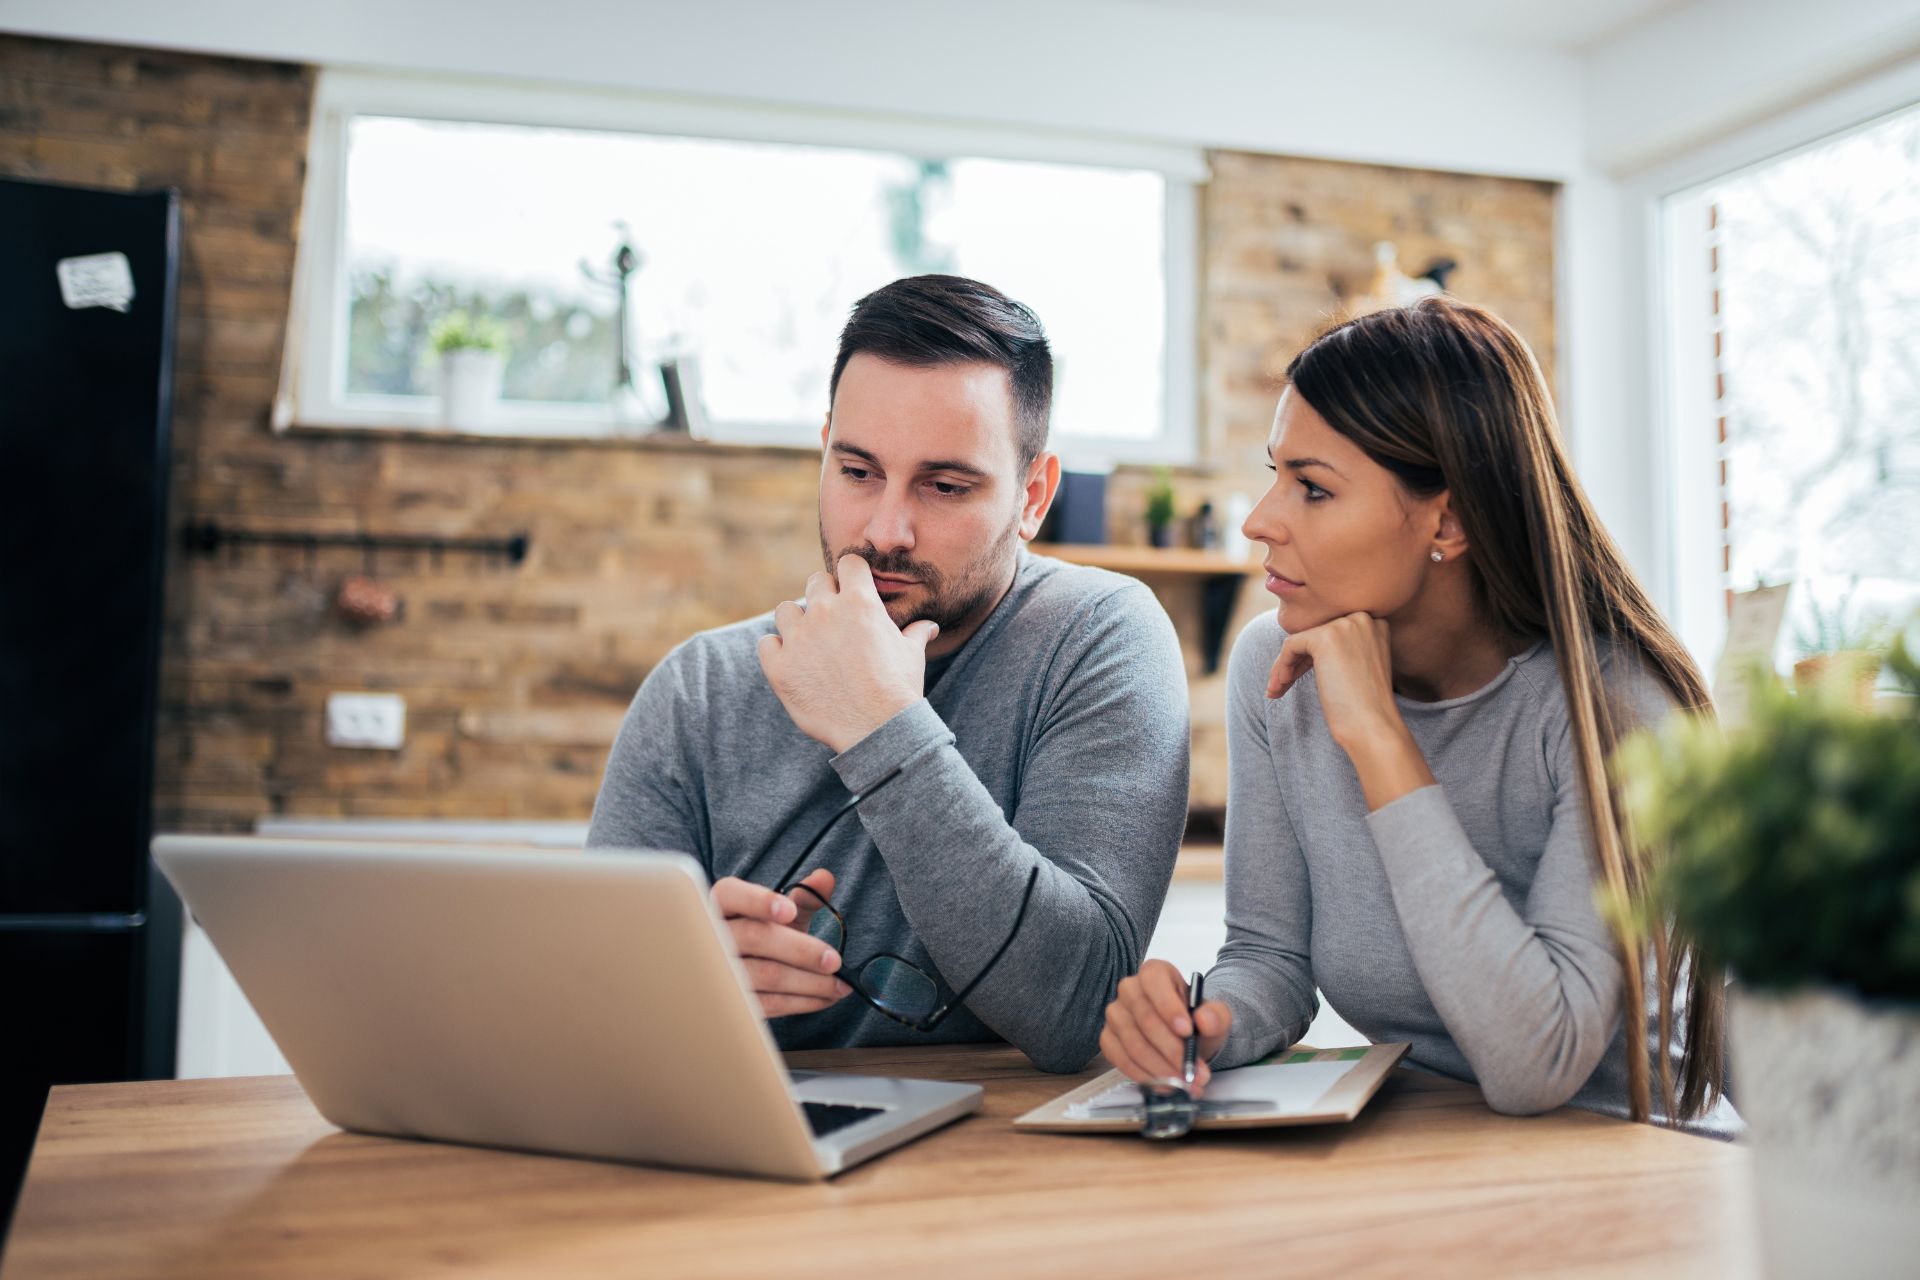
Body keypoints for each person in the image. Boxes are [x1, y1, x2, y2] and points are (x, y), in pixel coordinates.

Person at [1100, 296, 1736, 1133]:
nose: (1261, 521)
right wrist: (1207, 1022)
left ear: (1450, 518)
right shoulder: (1277, 665)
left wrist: (1378, 738)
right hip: (1431, 1145)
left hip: (1634, 1164)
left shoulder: (1614, 708)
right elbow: (1271, 960)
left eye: (1313, 489)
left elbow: (1534, 1065)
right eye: (1275, 475)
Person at [588, 274, 1189, 1071]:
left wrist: (878, 721)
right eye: (858, 471)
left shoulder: (1098, 638)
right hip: (756, 1136)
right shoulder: (700, 688)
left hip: (1008, 1158)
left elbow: (1076, 1008)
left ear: (1033, 496)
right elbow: (590, 1009)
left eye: (945, 486)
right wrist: (675, 985)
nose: (885, 530)